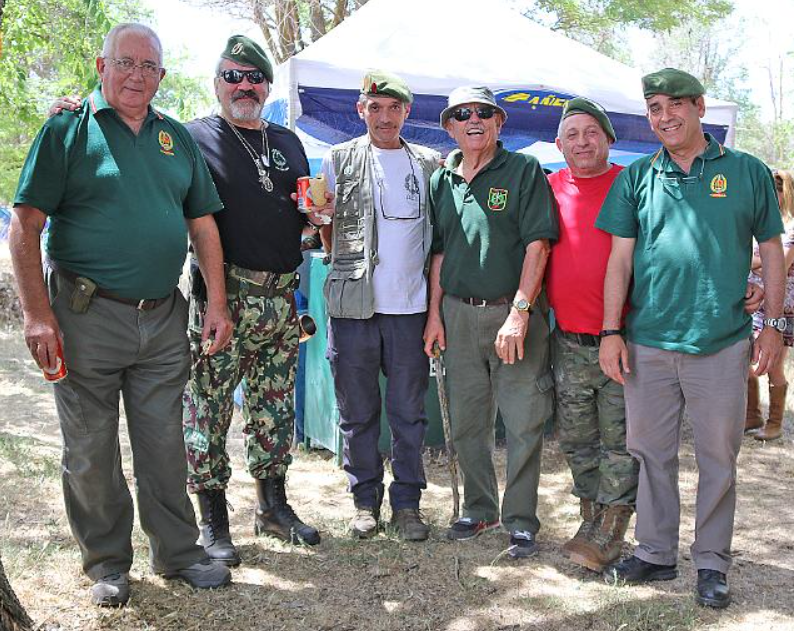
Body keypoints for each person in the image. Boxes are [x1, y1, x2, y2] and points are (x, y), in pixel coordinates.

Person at [10, 23, 233, 607]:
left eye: (149, 66)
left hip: (163, 317)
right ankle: (107, 562)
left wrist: (217, 302)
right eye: (126, 63)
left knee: (164, 444)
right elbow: (25, 225)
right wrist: (37, 315)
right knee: (91, 449)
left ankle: (178, 553)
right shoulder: (67, 130)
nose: (137, 75)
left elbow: (203, 223)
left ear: (162, 76)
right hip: (85, 316)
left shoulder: (175, 137)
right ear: (102, 67)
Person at [597, 68, 785, 609]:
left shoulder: (747, 171)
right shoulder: (638, 177)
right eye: (654, 108)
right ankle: (656, 553)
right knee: (651, 453)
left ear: (700, 107)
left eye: (675, 104)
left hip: (720, 342)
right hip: (649, 342)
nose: (665, 117)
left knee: (718, 457)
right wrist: (611, 331)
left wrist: (773, 325)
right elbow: (619, 261)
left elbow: (772, 251)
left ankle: (711, 563)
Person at [182, 35, 326, 560]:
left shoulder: (287, 141)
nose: (244, 86)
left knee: (274, 409)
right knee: (209, 409)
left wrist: (315, 221)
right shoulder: (192, 137)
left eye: (254, 77)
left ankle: (272, 509)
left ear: (266, 86)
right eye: (232, 76)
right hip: (223, 300)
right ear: (216, 84)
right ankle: (213, 522)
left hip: (281, 300)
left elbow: (298, 220)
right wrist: (78, 109)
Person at [423, 86, 558, 559]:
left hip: (512, 313)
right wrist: (434, 316)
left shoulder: (523, 170)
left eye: (483, 113)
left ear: (500, 122)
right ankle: (479, 509)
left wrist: (519, 313)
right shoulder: (442, 180)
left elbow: (539, 245)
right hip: (458, 314)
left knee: (523, 422)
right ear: (449, 127)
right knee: (467, 422)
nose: (473, 120)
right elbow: (440, 253)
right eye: (462, 114)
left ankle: (520, 520)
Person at [316, 71, 441, 541]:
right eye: (375, 108)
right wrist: (324, 227)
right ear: (361, 110)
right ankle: (364, 501)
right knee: (357, 412)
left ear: (407, 112)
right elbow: (325, 227)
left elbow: (439, 239)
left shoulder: (428, 164)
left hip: (410, 309)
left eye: (393, 109)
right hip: (354, 309)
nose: (384, 118)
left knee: (409, 414)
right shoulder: (339, 159)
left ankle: (407, 504)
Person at [545, 98, 639, 572]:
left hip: (621, 338)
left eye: (591, 133)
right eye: (572, 135)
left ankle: (612, 526)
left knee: (620, 440)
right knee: (577, 438)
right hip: (568, 339)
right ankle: (591, 515)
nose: (582, 142)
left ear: (608, 139)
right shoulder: (549, 188)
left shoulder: (632, 185)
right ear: (558, 145)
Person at [745, 169, 794, 441]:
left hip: (780, 306)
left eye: (776, 194)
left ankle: (775, 423)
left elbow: (780, 266)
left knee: (773, 364)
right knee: (746, 359)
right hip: (754, 302)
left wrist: (746, 261)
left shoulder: (791, 228)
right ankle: (751, 414)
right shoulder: (758, 224)